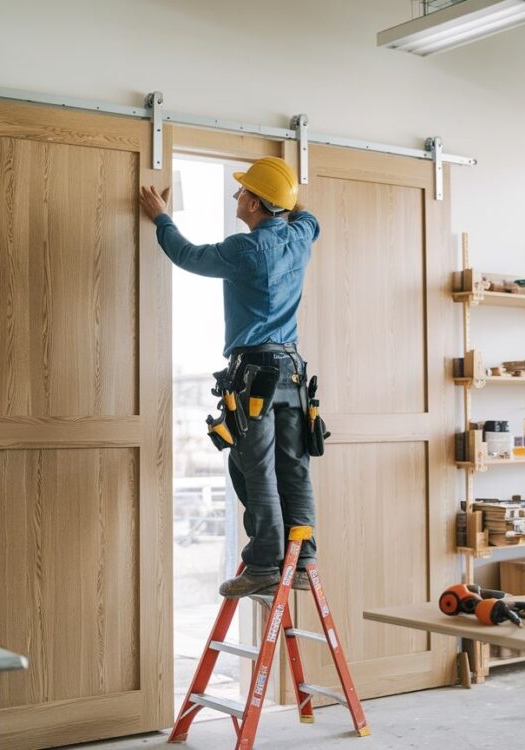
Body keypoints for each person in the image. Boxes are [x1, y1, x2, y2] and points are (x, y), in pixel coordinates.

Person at [139, 156, 321, 598]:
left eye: (242, 192)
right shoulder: (300, 239)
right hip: (293, 374)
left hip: (255, 372)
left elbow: (185, 254)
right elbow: (308, 217)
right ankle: (303, 560)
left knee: (256, 471)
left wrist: (160, 218)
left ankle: (263, 564)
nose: (236, 196)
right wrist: (286, 193)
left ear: (256, 204)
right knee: (294, 468)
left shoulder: (244, 250)